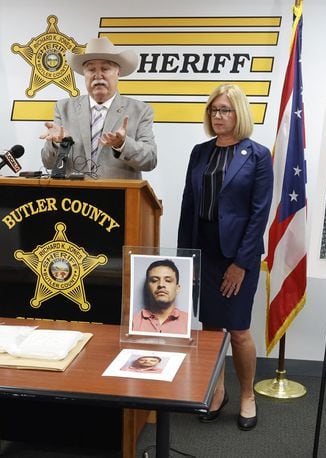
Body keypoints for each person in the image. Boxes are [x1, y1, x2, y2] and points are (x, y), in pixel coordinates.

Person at [178, 83, 273, 431]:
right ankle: (217, 391)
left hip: (237, 254)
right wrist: (185, 259)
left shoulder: (258, 155)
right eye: (214, 110)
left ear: (239, 114)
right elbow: (189, 206)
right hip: (203, 248)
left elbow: (258, 214)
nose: (218, 116)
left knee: (239, 331)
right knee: (210, 329)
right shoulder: (200, 152)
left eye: (226, 110)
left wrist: (240, 264)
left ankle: (247, 394)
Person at [40, 37, 157, 179]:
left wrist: (122, 144)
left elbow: (150, 160)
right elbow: (48, 163)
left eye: (105, 69)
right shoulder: (64, 108)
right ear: (84, 74)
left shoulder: (140, 110)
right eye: (91, 69)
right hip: (73, 198)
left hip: (118, 198)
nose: (98, 75)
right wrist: (56, 144)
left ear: (118, 72)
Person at [131, 259, 190, 335]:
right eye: (154, 280)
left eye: (168, 280)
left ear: (177, 288)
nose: (161, 284)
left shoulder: (188, 322)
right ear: (147, 288)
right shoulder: (133, 322)